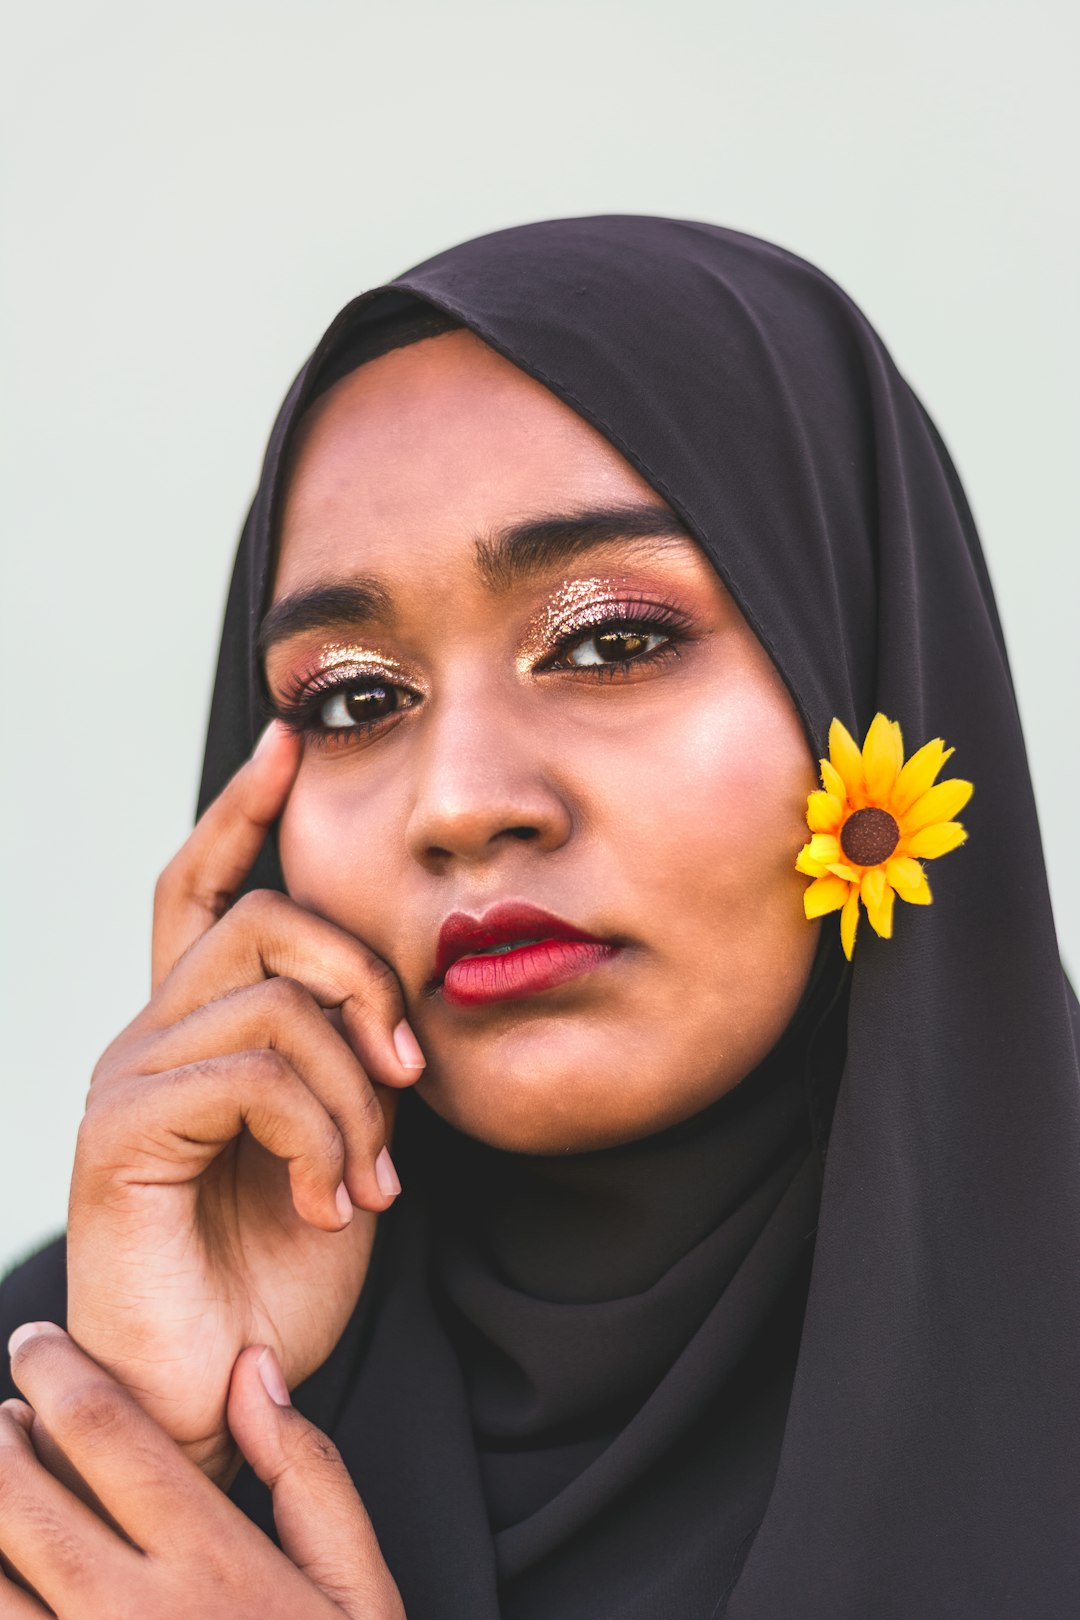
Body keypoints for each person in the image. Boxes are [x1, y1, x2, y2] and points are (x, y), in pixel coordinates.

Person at [0, 215, 1077, 1619]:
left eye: (613, 640)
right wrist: (145, 1447)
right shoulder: (58, 1362)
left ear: (862, 667)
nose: (460, 803)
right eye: (353, 698)